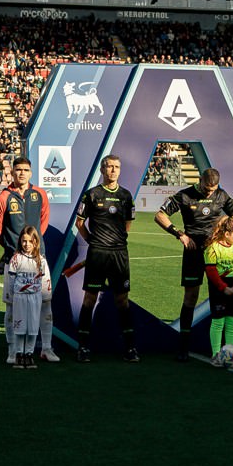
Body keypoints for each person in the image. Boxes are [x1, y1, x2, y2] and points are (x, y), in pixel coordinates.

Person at [159, 166, 233, 358]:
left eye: (213, 189)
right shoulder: (185, 195)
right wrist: (180, 235)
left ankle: (218, 349)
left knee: (218, 296)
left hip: (215, 253)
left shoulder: (222, 195)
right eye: (206, 187)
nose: (209, 192)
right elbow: (160, 215)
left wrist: (226, 233)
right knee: (190, 298)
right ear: (200, 180)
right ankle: (184, 348)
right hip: (193, 253)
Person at [74, 155, 139, 362]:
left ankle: (130, 348)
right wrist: (93, 241)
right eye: (109, 166)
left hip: (119, 253)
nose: (113, 170)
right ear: (103, 170)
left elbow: (128, 224)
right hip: (98, 254)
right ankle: (82, 348)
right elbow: (80, 223)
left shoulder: (126, 196)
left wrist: (116, 241)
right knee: (90, 298)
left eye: (117, 167)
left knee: (122, 300)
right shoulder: (91, 195)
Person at [1, 227, 52, 369]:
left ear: (36, 242)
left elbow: (45, 280)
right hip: (20, 297)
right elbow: (11, 280)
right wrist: (13, 295)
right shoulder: (16, 259)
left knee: (32, 327)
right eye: (24, 241)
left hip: (35, 297)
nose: (27, 244)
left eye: (30, 241)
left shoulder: (40, 261)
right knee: (19, 326)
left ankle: (29, 354)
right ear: (20, 242)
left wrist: (46, 296)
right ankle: (18, 354)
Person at [203, 216, 233, 364]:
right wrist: (224, 288)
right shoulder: (213, 248)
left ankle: (230, 354)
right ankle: (216, 354)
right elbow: (211, 271)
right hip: (219, 290)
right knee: (218, 322)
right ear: (227, 234)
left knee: (232, 322)